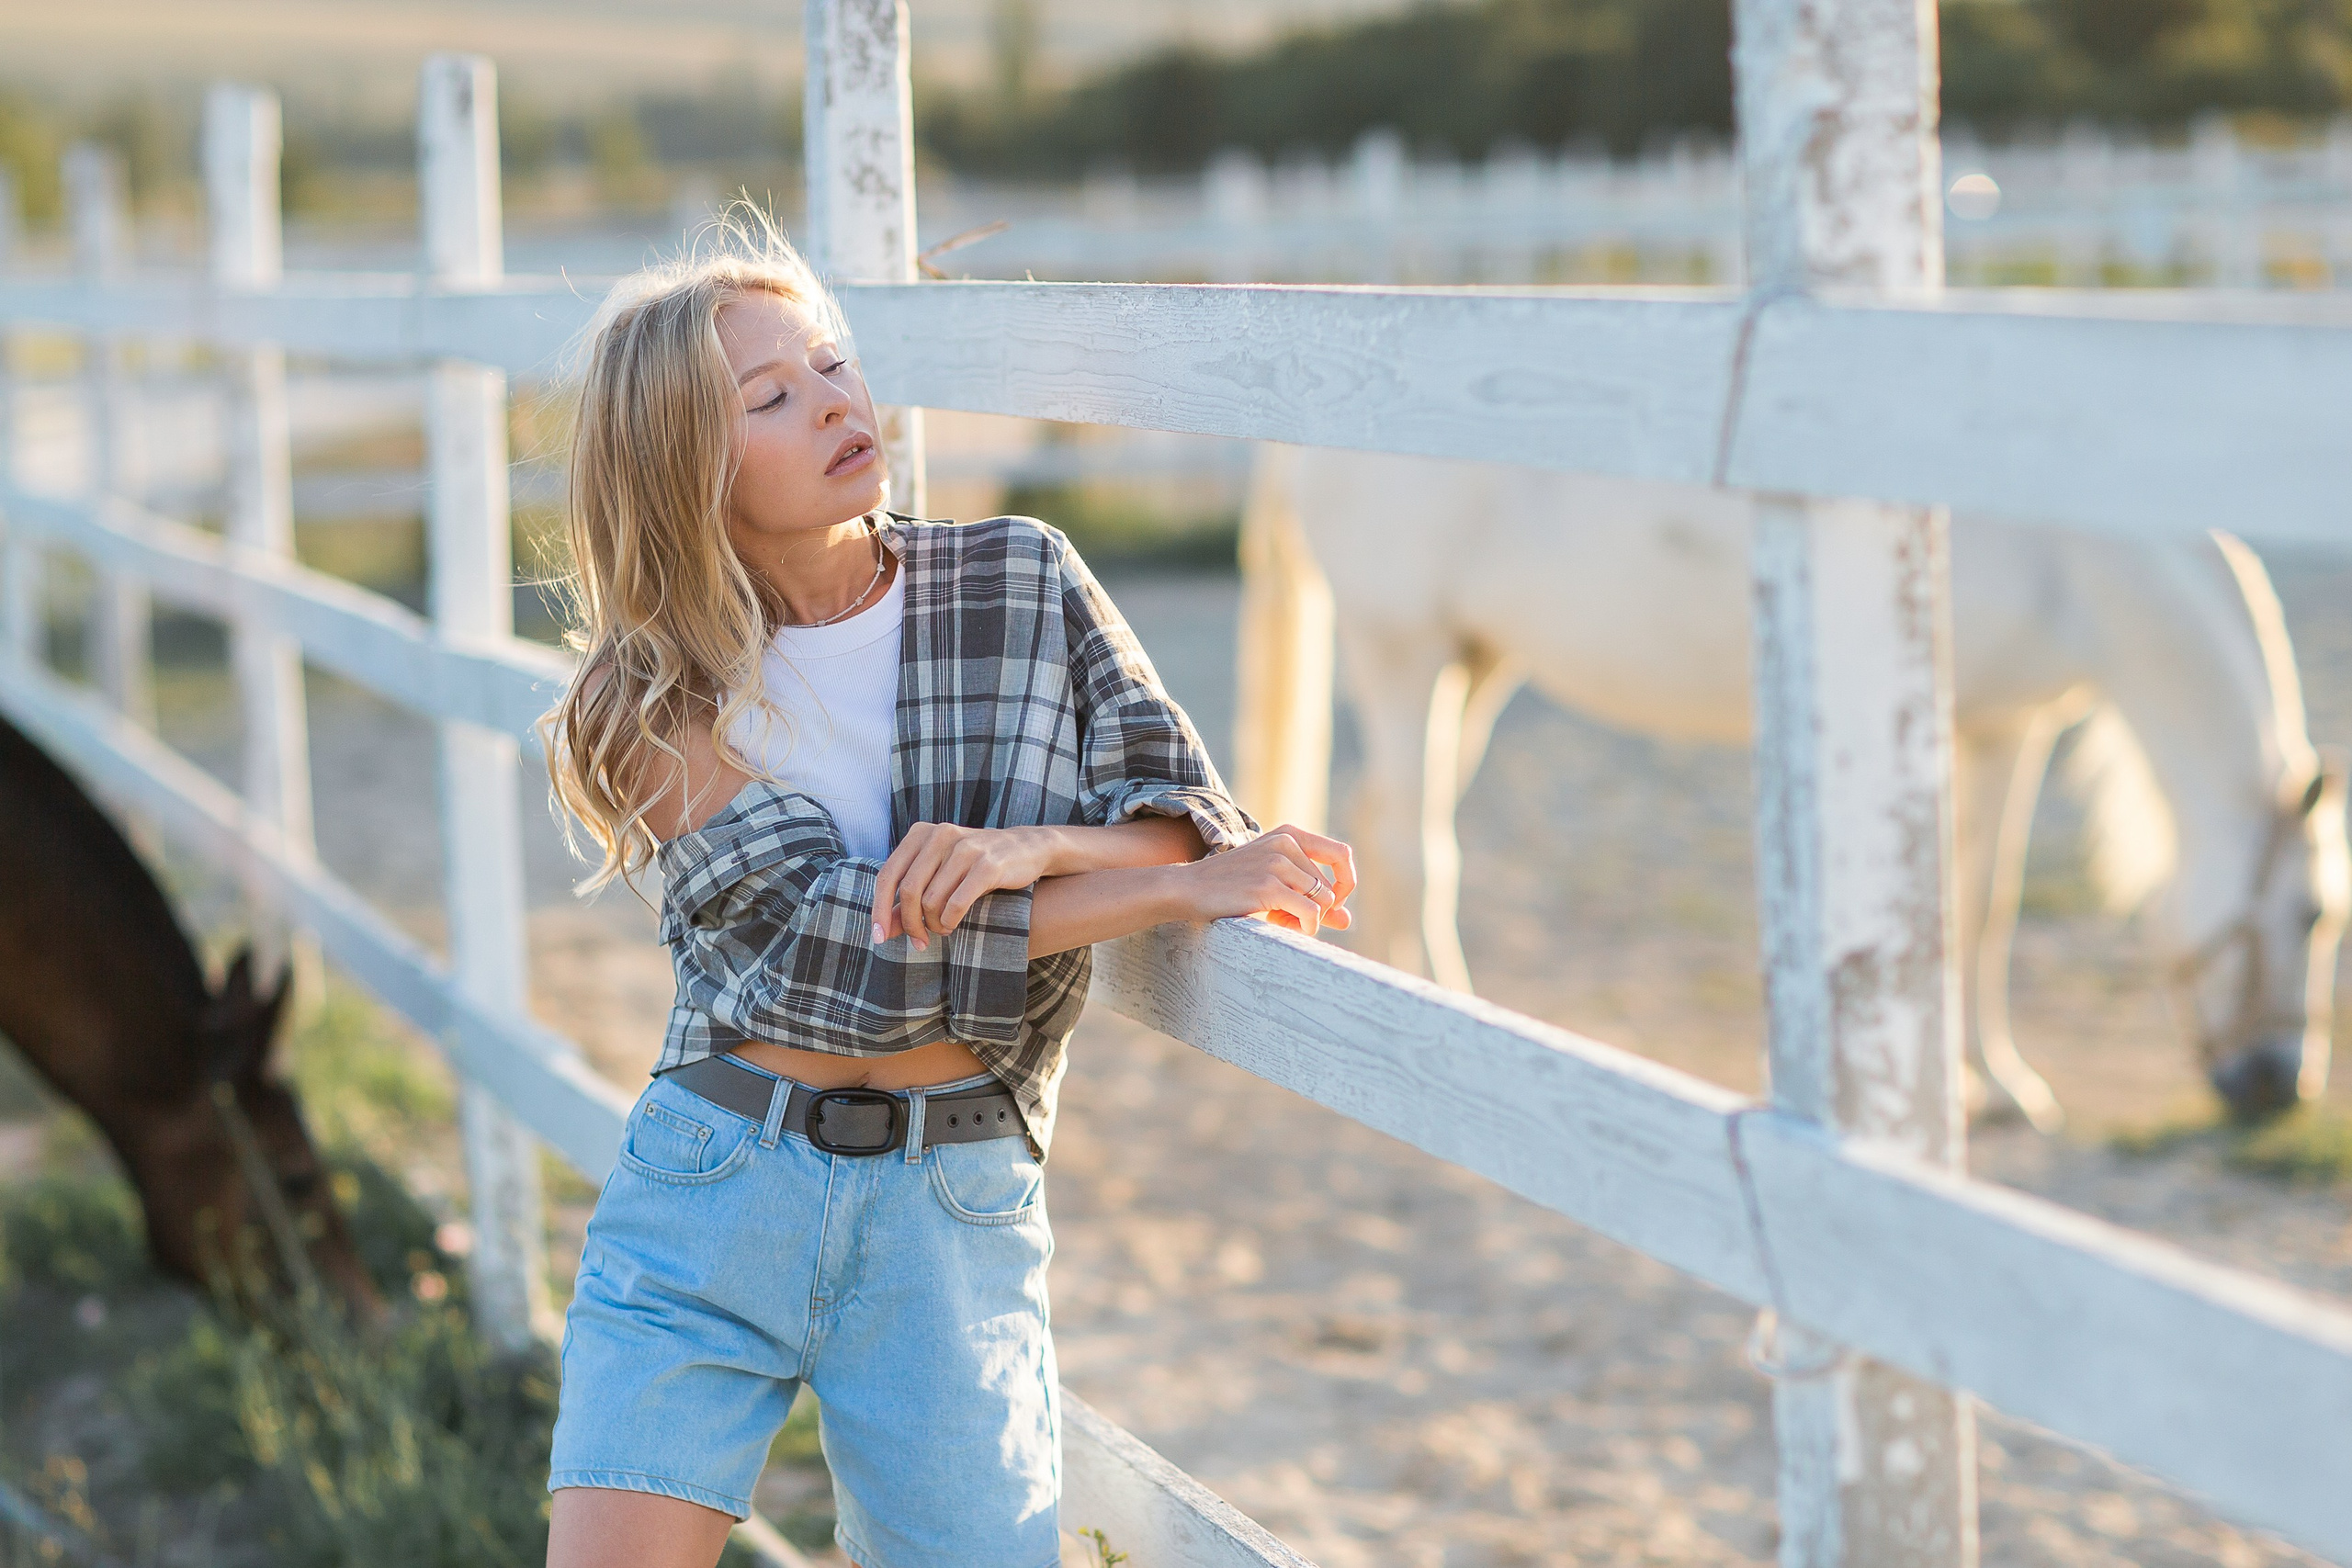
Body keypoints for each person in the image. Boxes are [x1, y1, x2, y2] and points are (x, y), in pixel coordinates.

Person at [536, 204, 1356, 1568]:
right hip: (714, 1190)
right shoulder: (647, 699)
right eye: (772, 396)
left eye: (835, 362)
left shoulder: (1021, 579)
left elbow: (1180, 818)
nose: (837, 402)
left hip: (950, 1197)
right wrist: (1158, 884)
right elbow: (840, 966)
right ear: (686, 468)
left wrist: (1040, 850)